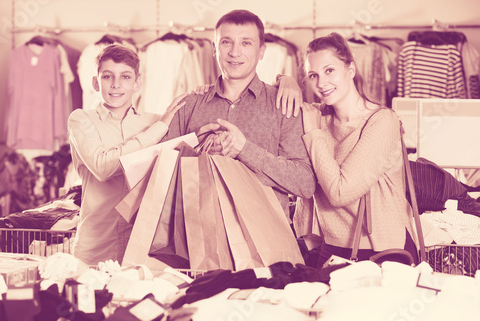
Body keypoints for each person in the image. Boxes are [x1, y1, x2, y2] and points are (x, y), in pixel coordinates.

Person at [162, 9, 316, 218]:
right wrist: (197, 149)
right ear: (215, 49)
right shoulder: (188, 104)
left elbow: (304, 183)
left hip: (264, 242)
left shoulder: (284, 104)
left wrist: (245, 150)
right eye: (226, 42)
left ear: (261, 51)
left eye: (246, 43)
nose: (235, 52)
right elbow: (161, 176)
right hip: (198, 238)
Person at [297, 32, 419, 267]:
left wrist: (313, 134)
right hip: (331, 247)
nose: (321, 83)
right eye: (313, 75)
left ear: (350, 69)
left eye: (329, 70)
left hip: (382, 249)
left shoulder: (382, 121)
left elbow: (340, 192)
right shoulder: (316, 117)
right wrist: (286, 82)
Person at [68, 44, 187, 266]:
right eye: (107, 76)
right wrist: (158, 130)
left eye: (125, 76)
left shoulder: (155, 121)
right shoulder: (81, 120)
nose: (116, 84)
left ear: (137, 83)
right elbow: (103, 167)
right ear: (95, 82)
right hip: (94, 248)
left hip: (142, 248)